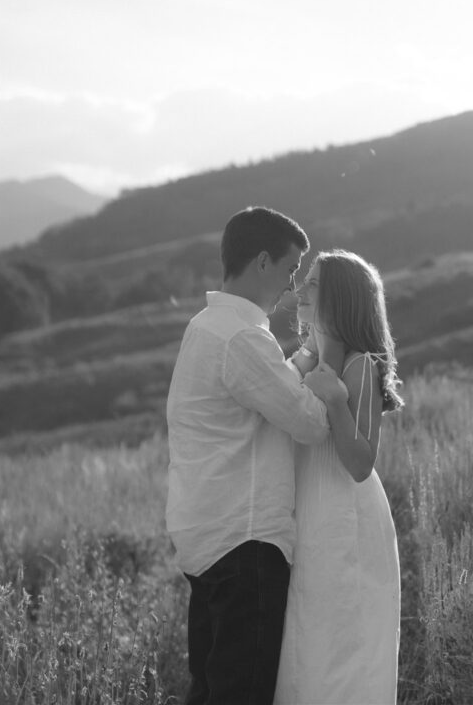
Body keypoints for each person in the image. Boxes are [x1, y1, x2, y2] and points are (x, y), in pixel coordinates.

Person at [165, 206, 330, 705]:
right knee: (243, 693)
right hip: (245, 541)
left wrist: (300, 360)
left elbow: (262, 389)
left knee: (212, 690)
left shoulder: (206, 326)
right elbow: (309, 423)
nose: (292, 285)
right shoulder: (242, 338)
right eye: (290, 269)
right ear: (262, 261)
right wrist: (328, 381)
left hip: (206, 537)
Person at [274, 249, 403, 705]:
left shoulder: (359, 365)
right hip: (308, 512)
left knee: (340, 645)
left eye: (312, 284)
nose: (299, 291)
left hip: (345, 518)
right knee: (305, 639)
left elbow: (361, 463)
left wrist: (333, 400)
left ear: (339, 298)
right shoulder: (305, 358)